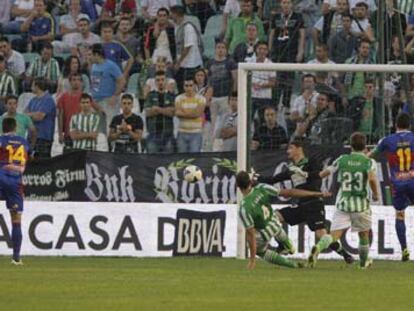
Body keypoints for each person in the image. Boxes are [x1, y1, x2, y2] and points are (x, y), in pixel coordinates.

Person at [255, 138, 354, 264]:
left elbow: (318, 175)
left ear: (299, 149)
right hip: (300, 205)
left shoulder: (311, 162)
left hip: (314, 204)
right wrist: (255, 177)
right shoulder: (291, 169)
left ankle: (346, 255)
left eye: (290, 148)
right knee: (273, 217)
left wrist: (304, 174)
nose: (287, 151)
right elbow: (271, 180)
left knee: (321, 235)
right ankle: (282, 245)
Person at [310, 132, 379, 269]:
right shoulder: (369, 162)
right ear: (365, 146)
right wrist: (376, 194)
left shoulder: (342, 159)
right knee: (363, 234)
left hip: (343, 204)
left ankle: (318, 248)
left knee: (334, 235)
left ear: (350, 146)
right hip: (361, 205)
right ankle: (363, 264)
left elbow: (324, 173)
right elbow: (371, 178)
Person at [237, 170, 330, 270]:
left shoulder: (244, 208)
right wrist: (315, 194)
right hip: (275, 224)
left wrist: (252, 260)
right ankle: (288, 245)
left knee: (261, 251)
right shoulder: (261, 188)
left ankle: (292, 264)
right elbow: (290, 192)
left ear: (238, 186)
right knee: (276, 217)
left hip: (264, 232)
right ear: (251, 182)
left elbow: (251, 235)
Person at [370, 113, 414, 261]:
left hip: (398, 183)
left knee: (400, 215)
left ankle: (404, 249)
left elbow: (372, 155)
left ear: (396, 125)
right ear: (409, 125)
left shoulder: (387, 140)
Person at [0, 117, 29, 265]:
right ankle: (16, 257)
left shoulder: (1, 140)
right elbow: (24, 165)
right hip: (16, 181)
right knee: (16, 219)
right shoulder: (23, 142)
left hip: (1, 175)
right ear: (15, 127)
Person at [90, 43, 125, 135]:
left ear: (97, 55)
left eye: (91, 54)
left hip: (108, 101)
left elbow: (121, 81)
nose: (89, 57)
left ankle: (111, 147)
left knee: (111, 127)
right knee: (97, 129)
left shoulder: (111, 65)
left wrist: (115, 96)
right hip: (96, 101)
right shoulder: (93, 66)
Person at [170, 5, 203, 93]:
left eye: (171, 14)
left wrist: (178, 62)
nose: (170, 16)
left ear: (175, 14)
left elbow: (187, 47)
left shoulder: (188, 27)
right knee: (182, 90)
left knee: (190, 90)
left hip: (191, 65)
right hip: (183, 64)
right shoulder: (177, 26)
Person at [144, 71, 176, 153]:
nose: (160, 82)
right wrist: (165, 110)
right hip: (153, 133)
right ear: (155, 82)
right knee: (152, 162)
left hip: (168, 134)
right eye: (158, 80)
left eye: (162, 80)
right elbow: (147, 113)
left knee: (168, 162)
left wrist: (157, 109)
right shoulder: (150, 95)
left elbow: (172, 113)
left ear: (166, 81)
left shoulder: (171, 96)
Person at [25, 77, 56, 158]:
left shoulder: (48, 99)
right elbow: (24, 115)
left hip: (43, 137)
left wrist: (29, 115)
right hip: (31, 136)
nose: (30, 86)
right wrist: (32, 115)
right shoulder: (33, 100)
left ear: (37, 86)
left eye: (32, 84)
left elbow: (39, 117)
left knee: (42, 162)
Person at [175, 77, 206, 153]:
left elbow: (198, 114)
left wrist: (184, 113)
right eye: (186, 85)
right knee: (182, 159)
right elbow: (178, 113)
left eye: (190, 85)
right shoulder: (178, 98)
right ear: (183, 87)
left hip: (196, 133)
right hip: (182, 132)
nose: (188, 88)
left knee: (194, 158)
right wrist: (193, 113)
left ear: (194, 86)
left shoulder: (201, 99)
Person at [57, 73, 83, 151]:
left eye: (78, 80)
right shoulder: (63, 97)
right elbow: (60, 116)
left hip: (82, 134)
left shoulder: (85, 98)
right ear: (70, 82)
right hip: (68, 133)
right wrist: (60, 134)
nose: (76, 82)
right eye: (74, 80)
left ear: (81, 82)